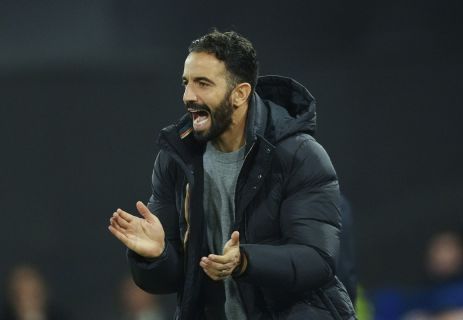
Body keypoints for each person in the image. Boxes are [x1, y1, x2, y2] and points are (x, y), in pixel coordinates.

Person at [109, 30, 356, 320]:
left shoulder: (299, 155)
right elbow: (174, 279)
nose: (188, 96)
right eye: (186, 83)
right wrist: (156, 255)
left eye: (203, 84)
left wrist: (245, 261)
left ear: (240, 94)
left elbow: (317, 260)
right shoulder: (175, 158)